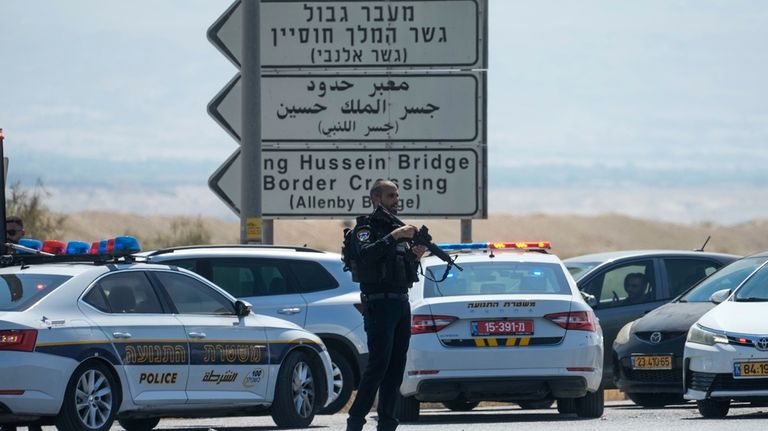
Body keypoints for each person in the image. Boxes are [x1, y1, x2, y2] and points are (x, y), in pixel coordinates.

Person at [345, 180, 426, 431]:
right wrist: (395, 236)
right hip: (378, 304)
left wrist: (416, 255)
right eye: (391, 196)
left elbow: (405, 272)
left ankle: (388, 424)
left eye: (397, 195)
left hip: (401, 303)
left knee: (396, 367)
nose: (396, 199)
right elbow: (366, 255)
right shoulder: (365, 229)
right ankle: (356, 421)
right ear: (376, 199)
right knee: (378, 365)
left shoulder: (398, 229)